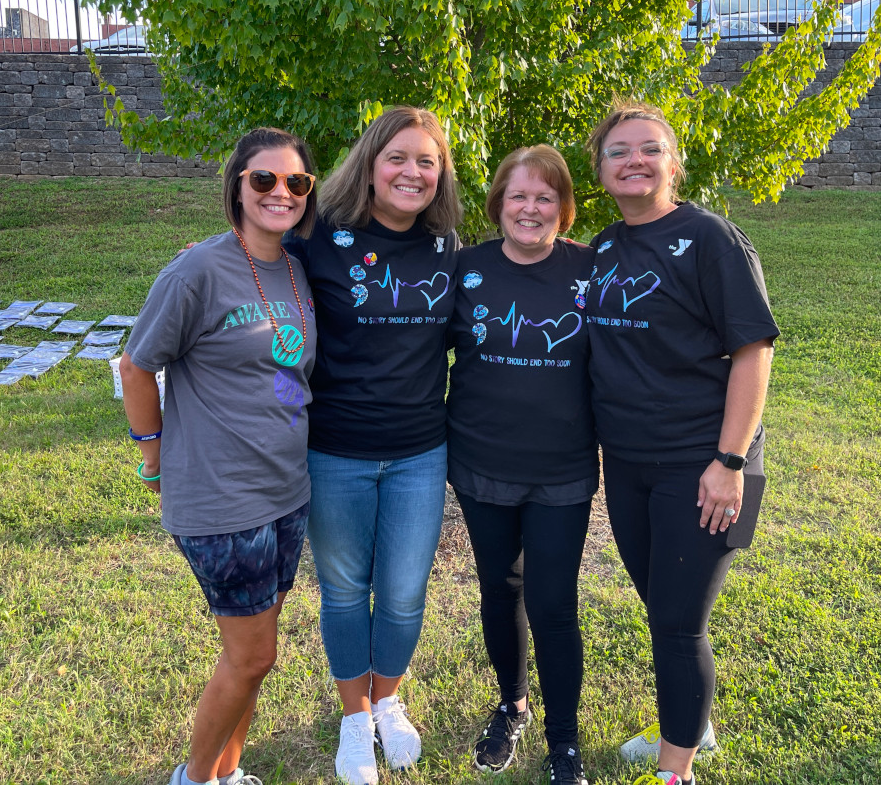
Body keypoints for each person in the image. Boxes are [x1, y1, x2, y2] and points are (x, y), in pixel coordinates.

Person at [583, 101, 779, 785]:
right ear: (601, 171)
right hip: (630, 462)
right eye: (619, 152)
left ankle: (677, 771)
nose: (634, 160)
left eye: (650, 148)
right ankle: (692, 723)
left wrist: (728, 464)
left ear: (675, 162)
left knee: (676, 621)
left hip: (708, 465)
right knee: (662, 602)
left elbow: (753, 352)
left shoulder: (710, 239)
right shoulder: (607, 246)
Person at [119, 128, 318, 785]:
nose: (279, 193)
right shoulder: (197, 270)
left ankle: (226, 773)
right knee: (251, 657)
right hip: (220, 496)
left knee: (256, 657)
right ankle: (196, 778)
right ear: (236, 185)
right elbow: (137, 364)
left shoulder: (296, 266)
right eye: (263, 179)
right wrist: (150, 456)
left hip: (285, 491)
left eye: (295, 182)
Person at [284, 106, 462, 785]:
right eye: (397, 157)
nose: (411, 172)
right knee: (343, 592)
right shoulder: (320, 237)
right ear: (370, 164)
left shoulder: (448, 246)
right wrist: (217, 251)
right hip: (335, 453)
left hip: (420, 452)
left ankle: (389, 699)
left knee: (405, 594)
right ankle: (354, 717)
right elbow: (259, 271)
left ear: (440, 174)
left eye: (426, 160)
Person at [446, 146, 599, 785]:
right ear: (498, 205)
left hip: (562, 468)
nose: (530, 208)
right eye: (517, 196)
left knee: (554, 602)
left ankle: (563, 740)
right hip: (482, 460)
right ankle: (511, 704)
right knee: (498, 588)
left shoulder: (593, 270)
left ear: (562, 209)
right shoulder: (465, 269)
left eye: (544, 197)